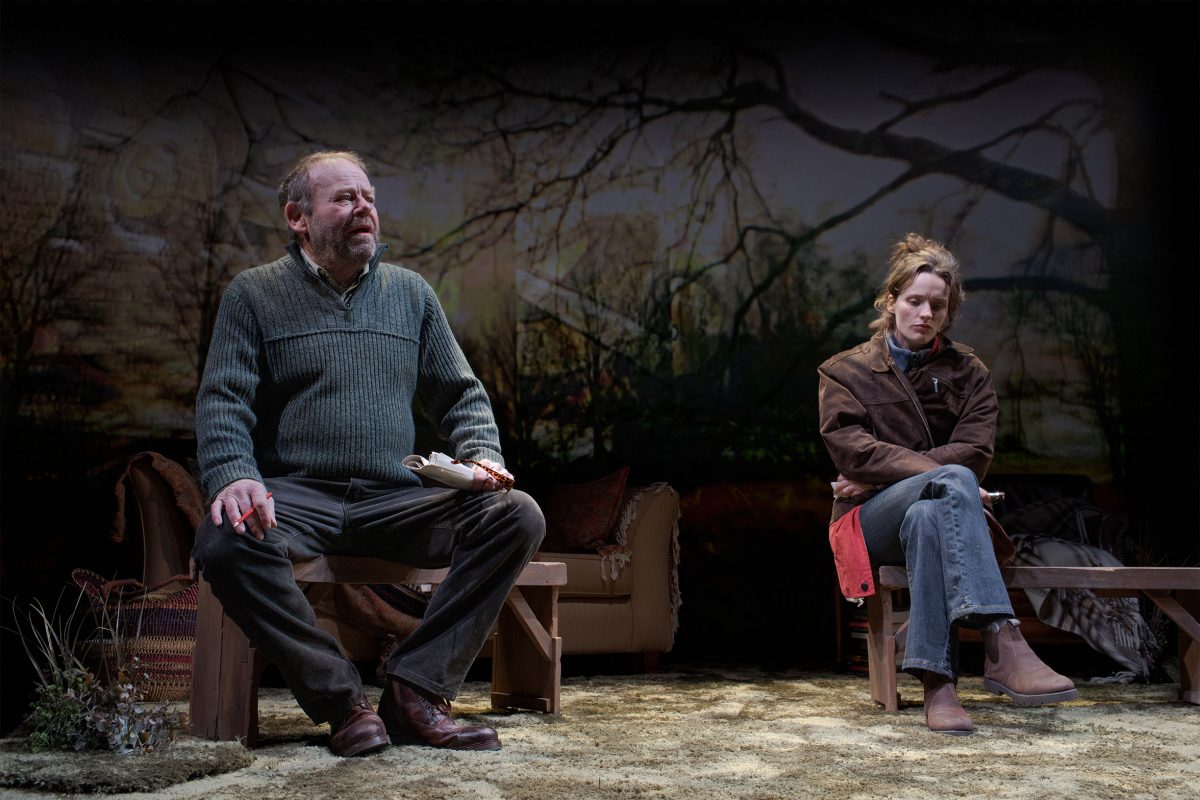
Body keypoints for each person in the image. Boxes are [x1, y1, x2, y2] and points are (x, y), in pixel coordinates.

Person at [191, 151, 545, 756]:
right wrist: (233, 476)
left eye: (369, 198)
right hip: (298, 499)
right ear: (298, 217)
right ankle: (342, 703)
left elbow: (461, 395)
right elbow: (224, 399)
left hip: (393, 501)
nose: (364, 209)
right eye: (345, 198)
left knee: (516, 514)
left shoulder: (411, 294)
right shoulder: (253, 294)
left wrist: (481, 456)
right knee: (224, 538)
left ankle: (415, 692)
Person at [817, 233, 1076, 735]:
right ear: (890, 301)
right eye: (914, 301)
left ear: (949, 311)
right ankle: (1002, 641)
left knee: (928, 516)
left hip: (931, 515)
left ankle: (939, 687)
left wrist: (916, 479)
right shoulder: (845, 372)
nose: (925, 313)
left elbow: (974, 452)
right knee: (952, 482)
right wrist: (943, 476)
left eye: (937, 305)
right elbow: (852, 451)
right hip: (868, 520)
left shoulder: (969, 372)